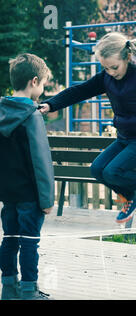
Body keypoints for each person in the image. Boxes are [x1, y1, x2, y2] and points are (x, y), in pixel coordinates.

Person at [38, 32, 136, 224]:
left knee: (112, 171)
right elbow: (80, 91)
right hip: (125, 138)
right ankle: (132, 196)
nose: (111, 72)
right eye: (106, 68)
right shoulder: (105, 78)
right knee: (97, 169)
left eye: (114, 67)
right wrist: (51, 104)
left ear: (127, 57)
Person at [0, 53, 54, 299]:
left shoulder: (2, 113)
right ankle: (29, 290)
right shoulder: (32, 116)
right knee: (30, 242)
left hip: (8, 194)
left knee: (9, 239)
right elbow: (41, 162)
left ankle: (8, 288)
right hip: (30, 196)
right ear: (34, 81)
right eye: (42, 84)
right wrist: (46, 200)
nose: (42, 89)